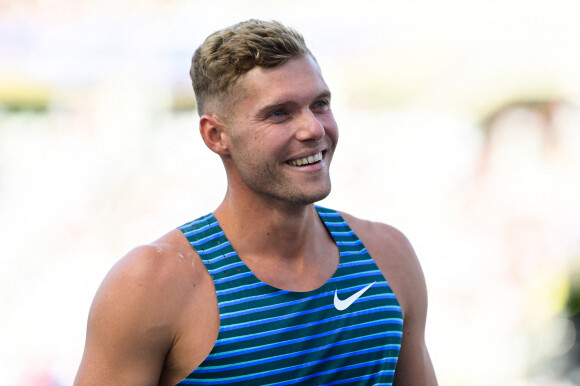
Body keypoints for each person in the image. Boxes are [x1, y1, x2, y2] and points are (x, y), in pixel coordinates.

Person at [74, 19, 437, 385]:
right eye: (279, 112)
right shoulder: (151, 284)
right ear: (215, 135)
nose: (313, 128)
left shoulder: (389, 256)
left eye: (320, 104)